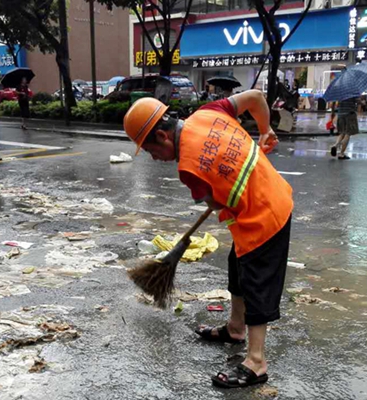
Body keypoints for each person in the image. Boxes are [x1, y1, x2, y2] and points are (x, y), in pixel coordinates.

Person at [123, 91, 293, 389]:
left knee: (257, 282)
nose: (154, 158)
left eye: (150, 151)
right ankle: (235, 329)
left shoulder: (189, 168)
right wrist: (265, 129)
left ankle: (256, 362)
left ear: (163, 136)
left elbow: (214, 202)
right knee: (237, 269)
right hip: (264, 198)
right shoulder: (209, 112)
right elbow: (255, 97)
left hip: (265, 216)